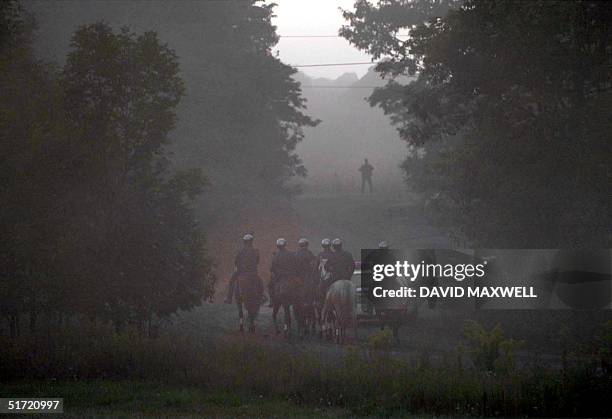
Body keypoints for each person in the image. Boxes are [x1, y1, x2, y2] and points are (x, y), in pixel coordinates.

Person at [225, 234, 261, 304]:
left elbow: (236, 261)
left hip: (241, 272)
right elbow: (257, 261)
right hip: (253, 272)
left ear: (244, 242)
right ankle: (262, 296)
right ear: (251, 241)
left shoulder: (240, 251)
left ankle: (229, 298)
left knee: (231, 281)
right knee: (259, 281)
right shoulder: (255, 251)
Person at [268, 238, 296, 307]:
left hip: (280, 277)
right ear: (285, 245)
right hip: (290, 276)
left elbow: (272, 268)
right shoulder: (291, 254)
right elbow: (295, 265)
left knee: (270, 286)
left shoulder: (276, 255)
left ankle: (272, 301)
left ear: (277, 246)